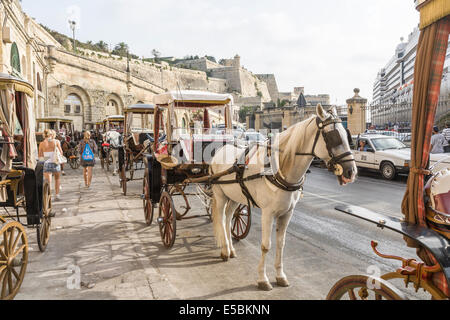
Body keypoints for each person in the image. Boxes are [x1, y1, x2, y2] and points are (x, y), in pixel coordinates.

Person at [38, 129, 63, 200]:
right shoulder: (56, 142)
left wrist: (46, 159)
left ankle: (49, 196)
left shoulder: (42, 143)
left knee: (48, 181)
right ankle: (57, 195)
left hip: (47, 163)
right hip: (55, 162)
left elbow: (40, 156)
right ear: (51, 134)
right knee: (57, 179)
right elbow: (61, 152)